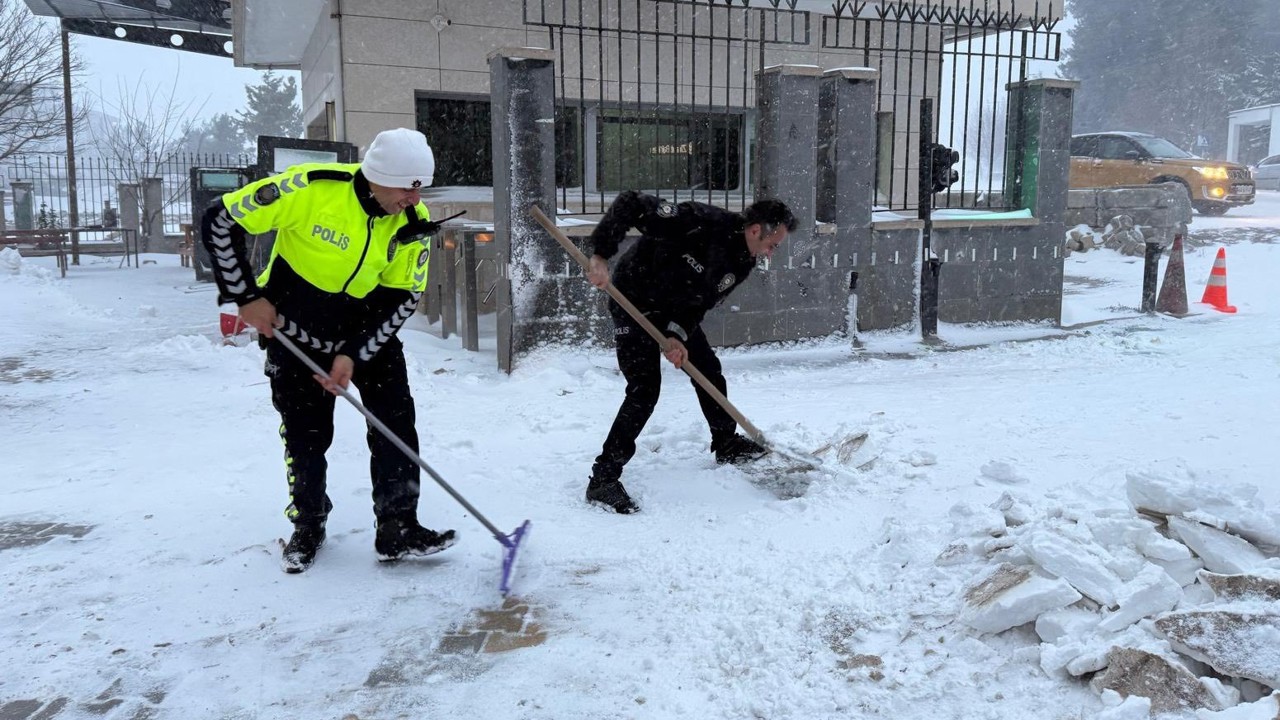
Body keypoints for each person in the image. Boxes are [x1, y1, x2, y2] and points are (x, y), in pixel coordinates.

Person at [200, 128, 457, 572]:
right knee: (306, 435)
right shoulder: (312, 187)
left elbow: (404, 297)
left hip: (367, 327)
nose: (414, 200)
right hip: (295, 327)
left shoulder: (412, 222)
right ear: (376, 176)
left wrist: (353, 354)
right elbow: (219, 219)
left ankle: (397, 527)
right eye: (405, 187)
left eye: (420, 188)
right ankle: (309, 525)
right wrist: (245, 295)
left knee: (395, 422)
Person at [583, 191, 798, 514]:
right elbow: (630, 203)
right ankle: (603, 478)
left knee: (708, 368)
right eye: (773, 244)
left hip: (671, 310)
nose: (771, 253)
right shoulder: (698, 221)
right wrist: (600, 256)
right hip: (633, 299)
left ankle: (725, 442)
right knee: (644, 389)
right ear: (756, 230)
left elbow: (701, 302)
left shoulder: (742, 262)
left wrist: (677, 336)